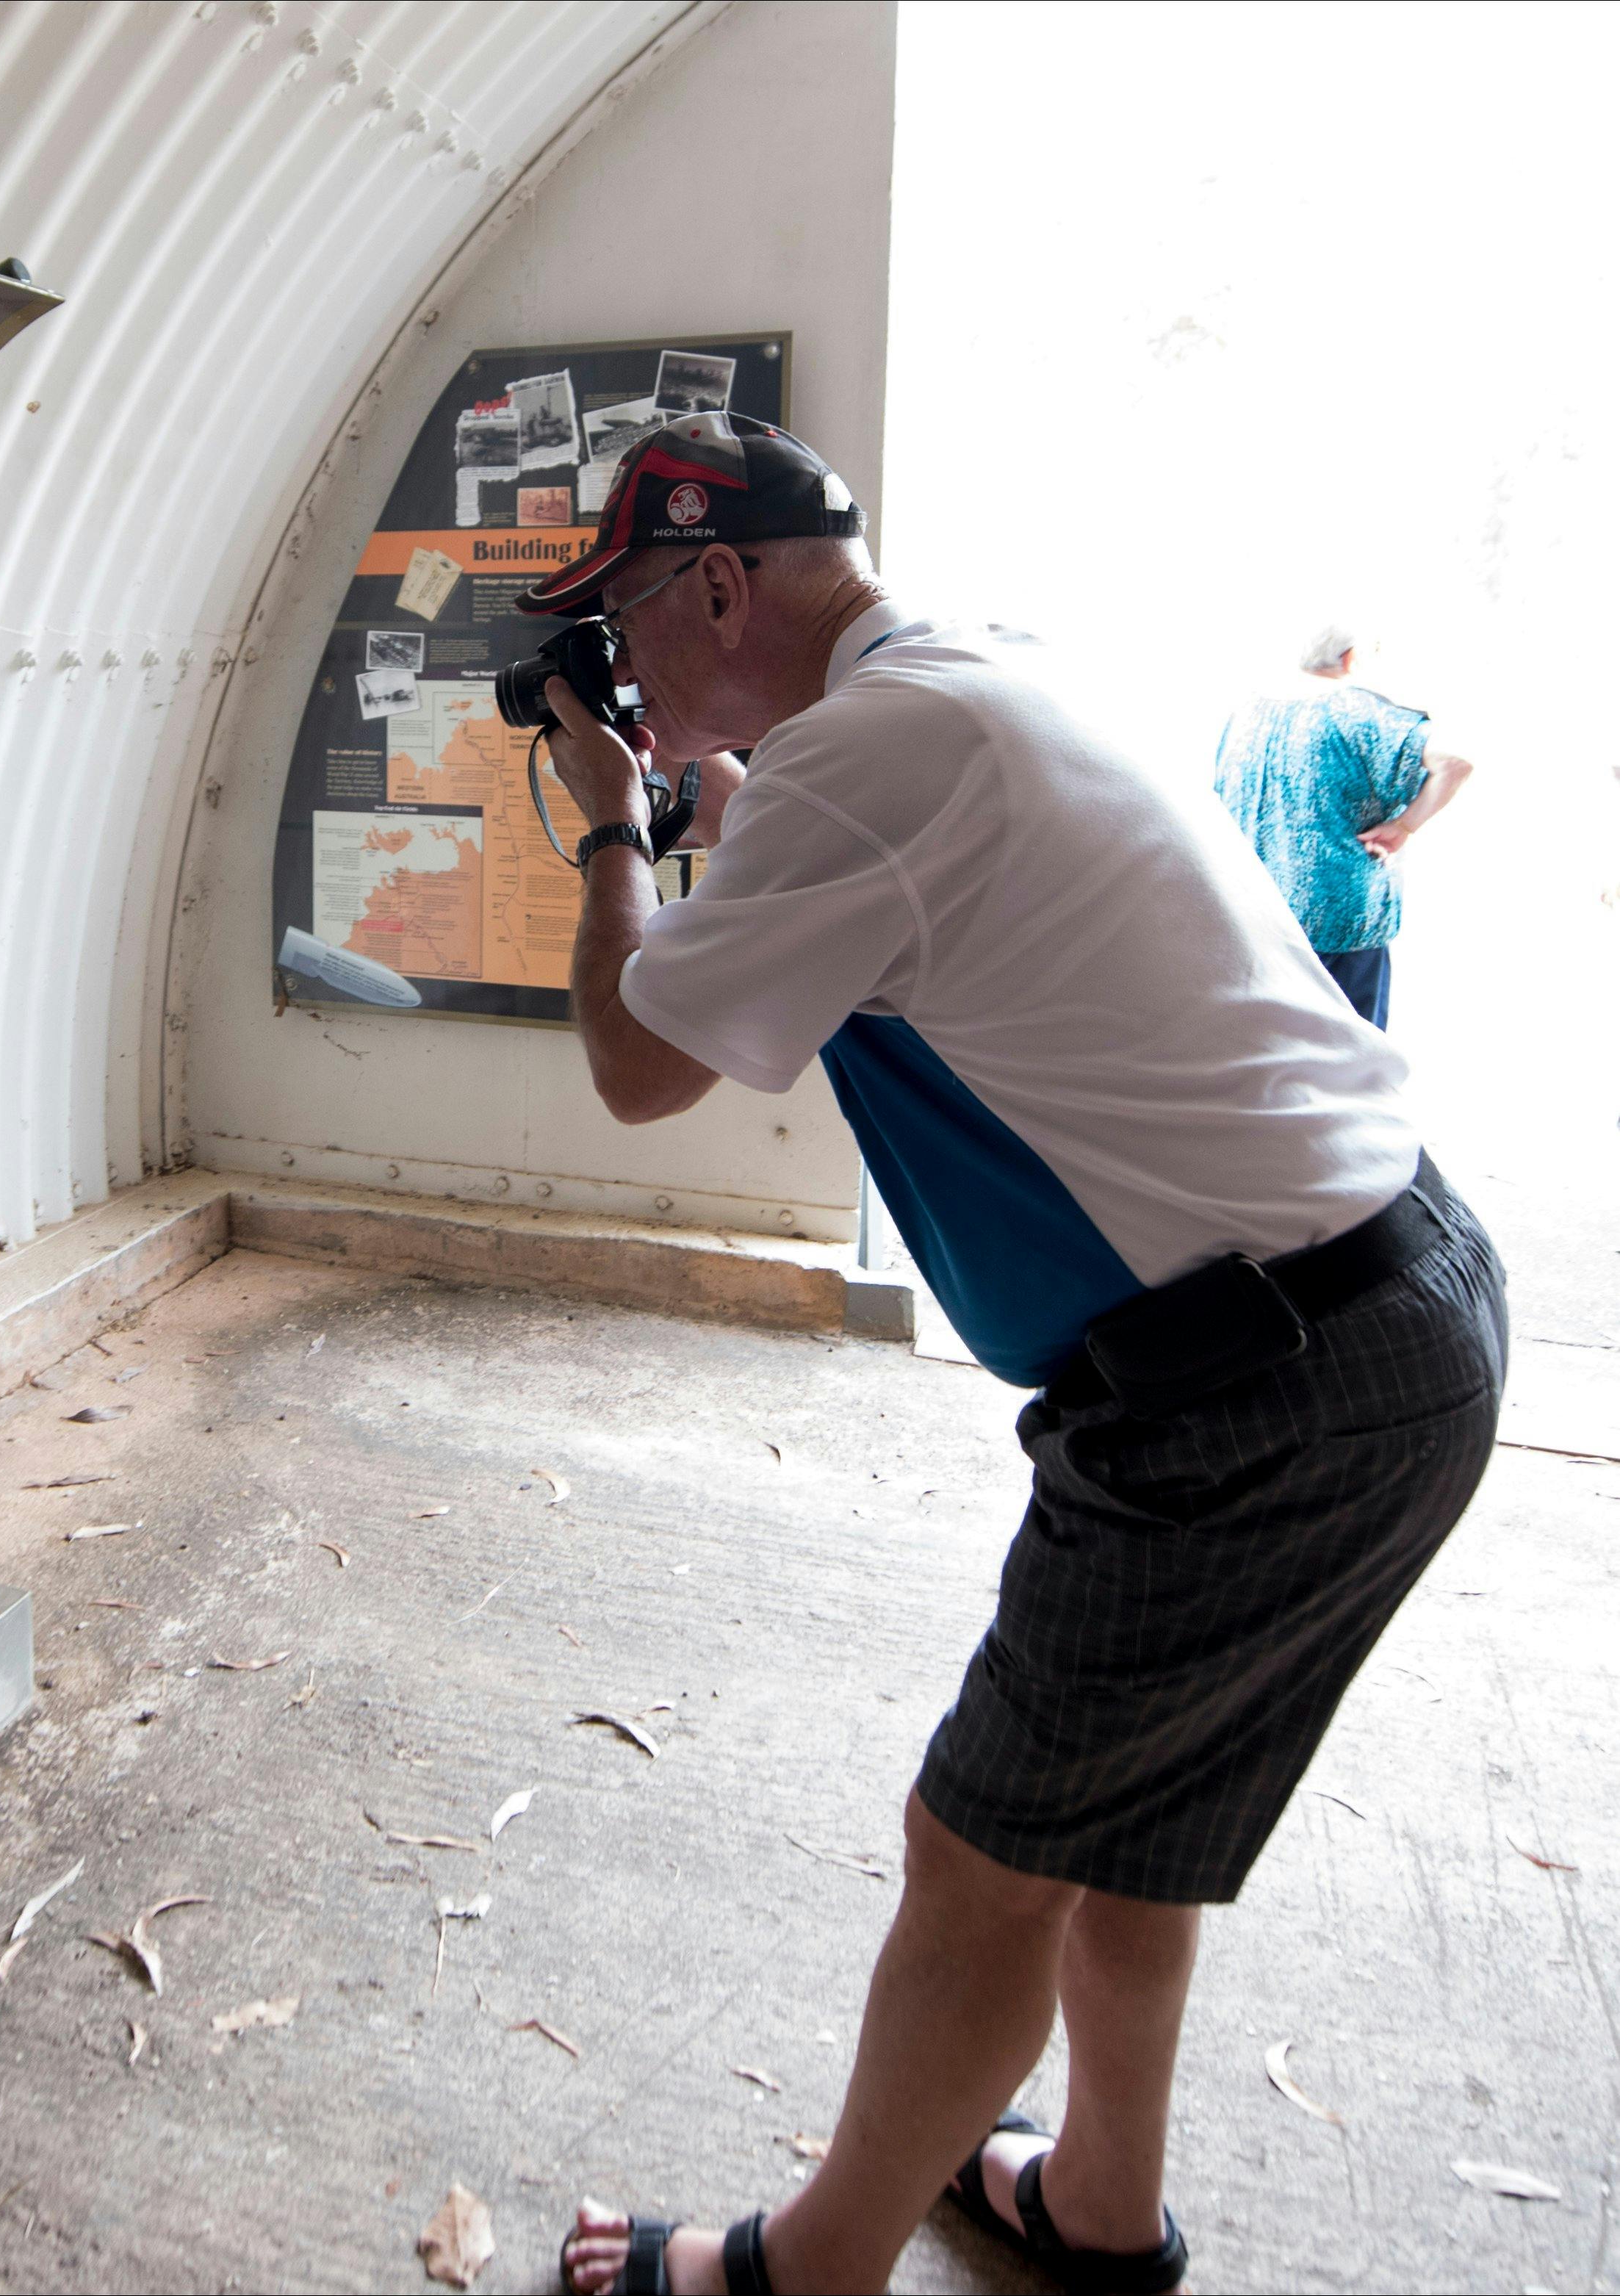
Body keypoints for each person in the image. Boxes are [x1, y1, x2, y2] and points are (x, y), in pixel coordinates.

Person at [528, 417, 1505, 2296]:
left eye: (627, 623)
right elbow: (862, 881)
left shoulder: (863, 760)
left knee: (977, 1852)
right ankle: (1098, 2204)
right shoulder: (967, 675)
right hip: (1392, 1310)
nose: (621, 677)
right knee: (1133, 1827)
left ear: (717, 582)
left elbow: (640, 1064)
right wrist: (707, 791)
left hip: (1254, 1383)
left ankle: (806, 2265)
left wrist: (601, 829)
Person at [1210, 626, 1474, 1027]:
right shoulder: (1358, 713)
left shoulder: (1248, 711)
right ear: (1351, 659)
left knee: (1273, 1048)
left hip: (1256, 918)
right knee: (1353, 1063)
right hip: (1340, 923)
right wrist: (1405, 826)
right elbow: (1454, 763)